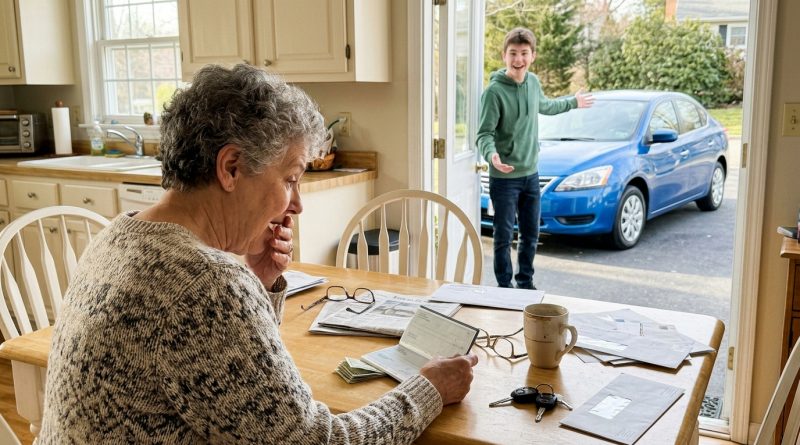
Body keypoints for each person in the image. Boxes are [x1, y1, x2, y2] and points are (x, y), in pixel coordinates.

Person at [39, 64, 478, 444]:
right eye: (290, 179)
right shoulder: (205, 286)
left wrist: (260, 283)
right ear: (231, 168)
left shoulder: (120, 235)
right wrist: (429, 389)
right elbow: (314, 441)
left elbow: (240, 399)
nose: (297, 204)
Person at [477, 27, 594, 290]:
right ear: (504, 56)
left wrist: (573, 102)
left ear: (533, 56)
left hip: (531, 175)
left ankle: (525, 283)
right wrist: (492, 155)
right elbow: (484, 134)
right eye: (513, 53)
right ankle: (504, 288)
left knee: (530, 235)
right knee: (503, 237)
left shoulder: (533, 82)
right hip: (504, 178)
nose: (518, 59)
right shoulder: (494, 92)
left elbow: (546, 105)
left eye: (524, 53)